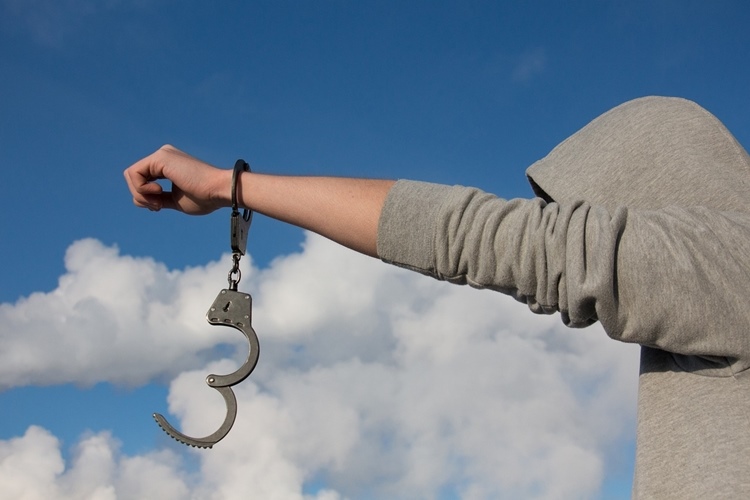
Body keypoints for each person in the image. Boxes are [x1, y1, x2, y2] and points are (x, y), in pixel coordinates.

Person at [124, 96, 750, 498]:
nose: (564, 231)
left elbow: (471, 236)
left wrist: (232, 186)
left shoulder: (727, 268)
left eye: (579, 216)